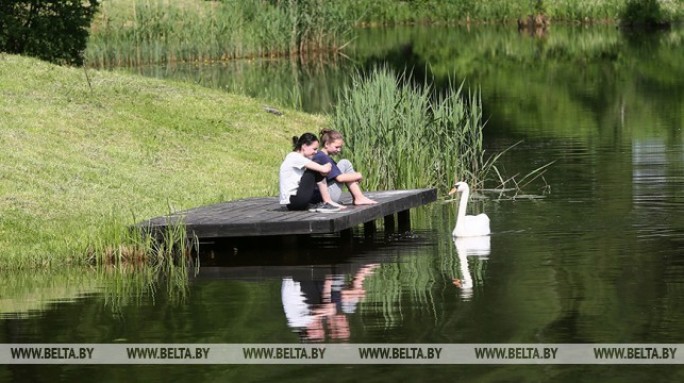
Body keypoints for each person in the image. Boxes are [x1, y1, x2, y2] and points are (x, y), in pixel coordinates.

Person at [279, 133, 343, 213]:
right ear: (304, 146)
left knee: (315, 169)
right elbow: (323, 169)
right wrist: (328, 165)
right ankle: (327, 201)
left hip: (293, 202)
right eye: (314, 149)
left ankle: (325, 202)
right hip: (295, 200)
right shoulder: (294, 157)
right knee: (314, 170)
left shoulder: (296, 157)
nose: (316, 152)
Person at [313, 129, 377, 205]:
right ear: (326, 144)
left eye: (340, 147)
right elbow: (340, 178)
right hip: (325, 196)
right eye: (336, 147)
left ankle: (359, 198)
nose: (339, 150)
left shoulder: (320, 155)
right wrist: (358, 175)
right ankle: (359, 197)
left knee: (346, 167)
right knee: (344, 163)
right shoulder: (323, 157)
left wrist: (353, 177)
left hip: (321, 195)